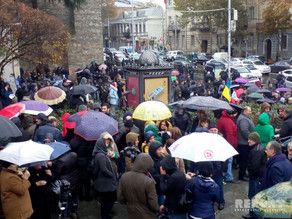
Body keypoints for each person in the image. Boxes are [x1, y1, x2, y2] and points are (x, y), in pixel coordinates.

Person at [117, 153, 159, 219]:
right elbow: (153, 205)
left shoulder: (124, 176)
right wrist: (158, 209)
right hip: (147, 215)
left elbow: (120, 198)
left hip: (131, 213)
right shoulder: (149, 181)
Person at [92, 139, 118, 219]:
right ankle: (105, 216)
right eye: (105, 143)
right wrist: (112, 175)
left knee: (105, 201)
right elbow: (104, 169)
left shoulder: (100, 154)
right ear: (101, 145)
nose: (106, 144)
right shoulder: (101, 156)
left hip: (103, 182)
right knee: (108, 201)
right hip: (106, 183)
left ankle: (105, 215)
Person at [242, 132, 266, 219]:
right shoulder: (260, 147)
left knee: (253, 196)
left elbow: (255, 167)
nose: (248, 141)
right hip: (259, 176)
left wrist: (249, 173)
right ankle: (253, 214)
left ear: (255, 140)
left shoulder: (256, 151)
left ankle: (254, 216)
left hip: (255, 177)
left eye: (250, 139)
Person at [217, 110, 238, 183]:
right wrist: (232, 145)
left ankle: (225, 175)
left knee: (226, 161)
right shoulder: (227, 121)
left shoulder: (222, 119)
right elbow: (230, 135)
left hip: (224, 143)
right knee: (229, 161)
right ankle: (228, 177)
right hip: (228, 144)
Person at [237, 106, 255, 181]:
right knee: (244, 160)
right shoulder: (243, 119)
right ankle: (242, 176)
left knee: (244, 160)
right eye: (249, 111)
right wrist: (252, 139)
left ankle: (243, 173)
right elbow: (244, 131)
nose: (250, 112)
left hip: (245, 142)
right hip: (244, 143)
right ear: (244, 111)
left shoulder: (245, 118)